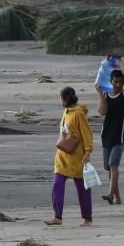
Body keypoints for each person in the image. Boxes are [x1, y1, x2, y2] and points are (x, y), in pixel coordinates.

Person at [45, 86, 94, 227]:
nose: (61, 101)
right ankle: (57, 216)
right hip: (62, 157)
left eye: (61, 98)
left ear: (65, 99)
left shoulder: (78, 114)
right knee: (57, 184)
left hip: (78, 157)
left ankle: (87, 218)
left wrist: (88, 152)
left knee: (82, 188)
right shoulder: (66, 112)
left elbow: (87, 134)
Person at [95, 54, 124, 205]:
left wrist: (119, 60)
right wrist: (100, 95)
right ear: (111, 82)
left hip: (119, 136)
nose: (117, 84)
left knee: (113, 164)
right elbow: (102, 112)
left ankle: (110, 194)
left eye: (120, 82)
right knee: (109, 168)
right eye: (115, 81)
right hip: (106, 135)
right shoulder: (106, 95)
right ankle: (117, 197)